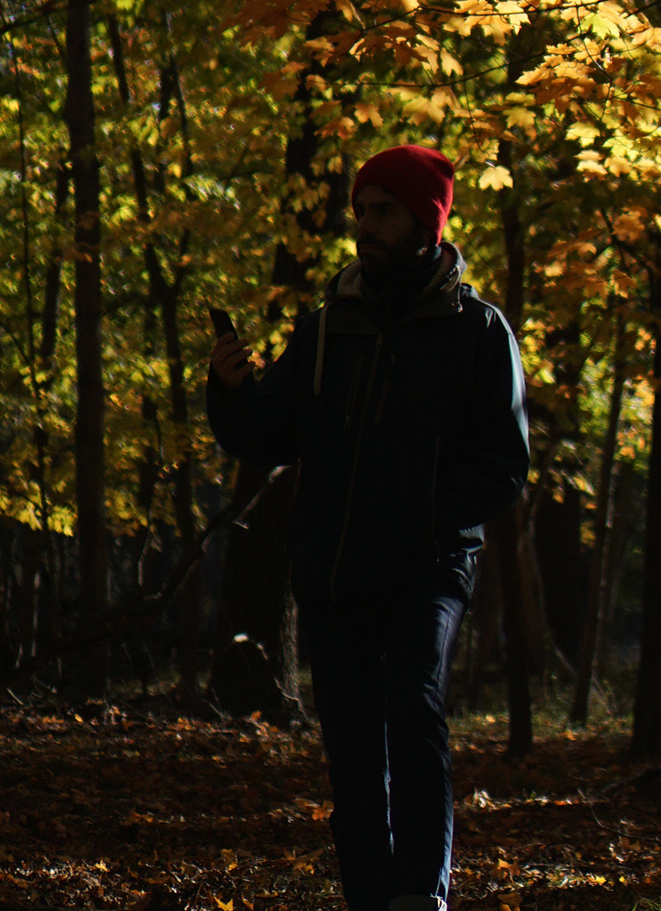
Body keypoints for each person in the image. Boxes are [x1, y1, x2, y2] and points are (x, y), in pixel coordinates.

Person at [207, 144, 530, 911]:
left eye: (383, 210)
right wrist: (230, 392)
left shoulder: (478, 331)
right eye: (361, 211)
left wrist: (420, 511)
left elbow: (504, 466)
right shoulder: (327, 329)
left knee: (413, 716)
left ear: (427, 218)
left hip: (426, 568)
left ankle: (422, 896)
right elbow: (267, 437)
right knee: (352, 754)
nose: (367, 226)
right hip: (335, 571)